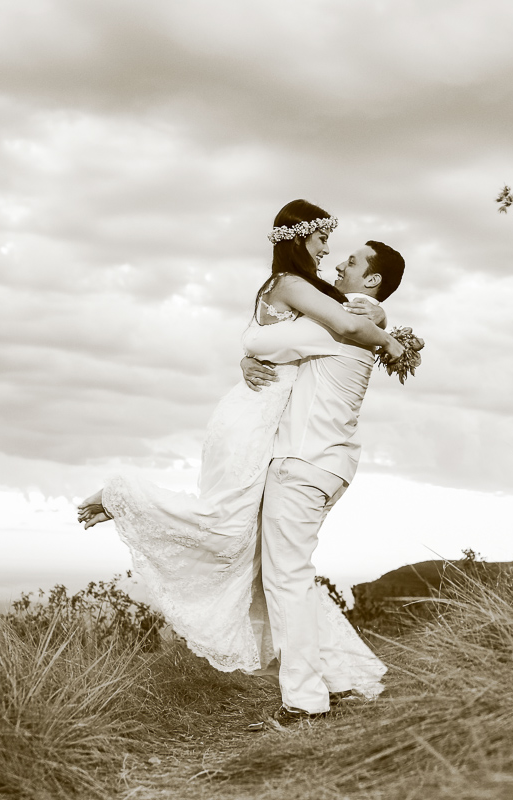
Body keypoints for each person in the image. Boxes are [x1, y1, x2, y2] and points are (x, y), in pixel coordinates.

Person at [76, 201, 402, 697]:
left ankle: (321, 688)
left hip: (291, 448)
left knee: (261, 560)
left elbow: (287, 336)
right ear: (300, 238)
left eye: (348, 258)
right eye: (322, 240)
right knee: (239, 537)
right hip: (259, 426)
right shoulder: (303, 294)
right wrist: (389, 341)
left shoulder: (350, 312)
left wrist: (382, 334)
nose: (332, 254)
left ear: (371, 283)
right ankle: (123, 496)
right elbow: (283, 337)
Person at [239, 239, 406, 723]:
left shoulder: (344, 321)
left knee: (286, 581)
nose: (338, 263)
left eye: (351, 261)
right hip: (324, 464)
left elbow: (259, 341)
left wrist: (248, 353)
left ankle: (305, 702)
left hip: (303, 464)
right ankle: (355, 677)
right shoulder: (355, 320)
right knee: (296, 578)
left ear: (371, 280)